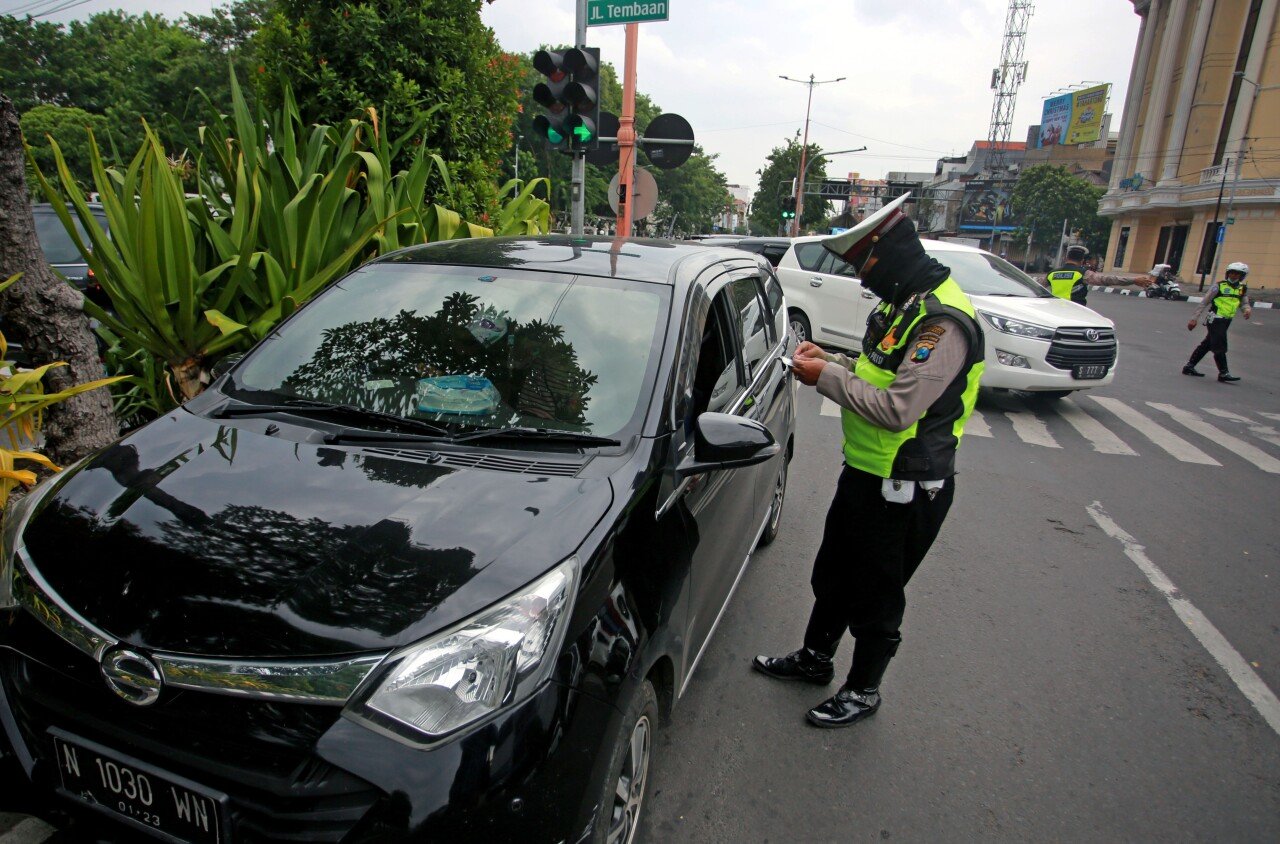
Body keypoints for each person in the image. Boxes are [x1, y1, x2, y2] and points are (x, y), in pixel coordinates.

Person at [752, 193, 985, 728]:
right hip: (865, 470)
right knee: (833, 572)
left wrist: (825, 378)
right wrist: (831, 359)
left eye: (866, 268)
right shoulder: (902, 304)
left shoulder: (941, 323)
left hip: (905, 483)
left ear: (890, 257)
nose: (863, 280)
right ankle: (815, 659)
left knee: (876, 594)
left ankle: (863, 690)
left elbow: (899, 407)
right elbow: (878, 368)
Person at [1182, 261, 1252, 382]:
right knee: (1220, 346)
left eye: (1237, 274)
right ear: (1227, 273)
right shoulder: (1219, 286)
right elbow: (1204, 302)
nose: (1233, 276)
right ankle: (1223, 372)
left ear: (1242, 276)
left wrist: (1247, 310)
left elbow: (1244, 302)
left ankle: (1189, 366)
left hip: (1227, 320)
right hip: (1215, 319)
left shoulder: (1242, 288)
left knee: (1207, 344)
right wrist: (1194, 319)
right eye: (1231, 273)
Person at [1045, 244, 1128, 305]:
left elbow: (1036, 285)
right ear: (1082, 260)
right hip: (1076, 311)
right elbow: (1106, 279)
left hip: (1055, 310)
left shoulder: (1052, 273)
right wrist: (1134, 280)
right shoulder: (1083, 273)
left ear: (1066, 258)